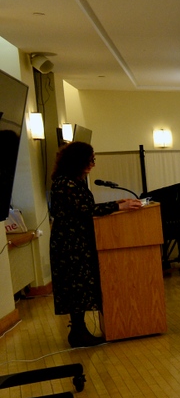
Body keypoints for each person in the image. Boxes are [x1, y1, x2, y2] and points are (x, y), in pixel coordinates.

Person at [49, 141, 142, 347]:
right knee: (76, 286)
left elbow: (86, 207)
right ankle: (78, 332)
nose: (92, 164)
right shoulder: (66, 183)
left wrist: (117, 204)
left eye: (93, 160)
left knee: (80, 285)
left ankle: (79, 331)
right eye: (89, 160)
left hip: (76, 241)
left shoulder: (72, 181)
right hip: (70, 244)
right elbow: (84, 211)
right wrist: (118, 206)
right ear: (77, 161)